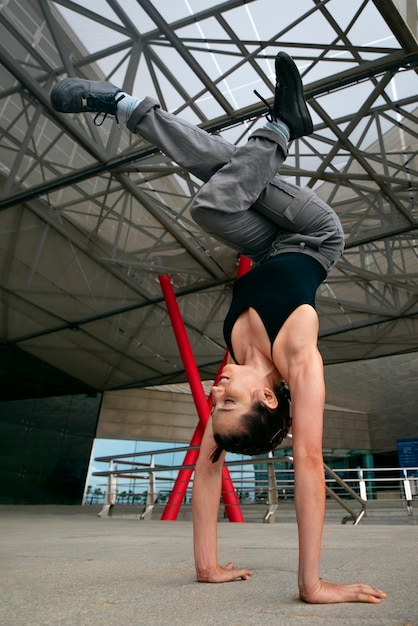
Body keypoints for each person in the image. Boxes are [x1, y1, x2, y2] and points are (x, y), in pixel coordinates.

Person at [50, 53, 387, 604]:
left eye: (216, 404)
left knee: (216, 196)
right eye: (228, 402)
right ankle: (274, 126)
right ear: (268, 399)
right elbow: (308, 462)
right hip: (314, 235)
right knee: (216, 193)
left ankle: (262, 125)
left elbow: (207, 472)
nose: (215, 393)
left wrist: (206, 566)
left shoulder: (237, 367)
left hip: (266, 243)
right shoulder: (299, 358)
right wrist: (312, 584)